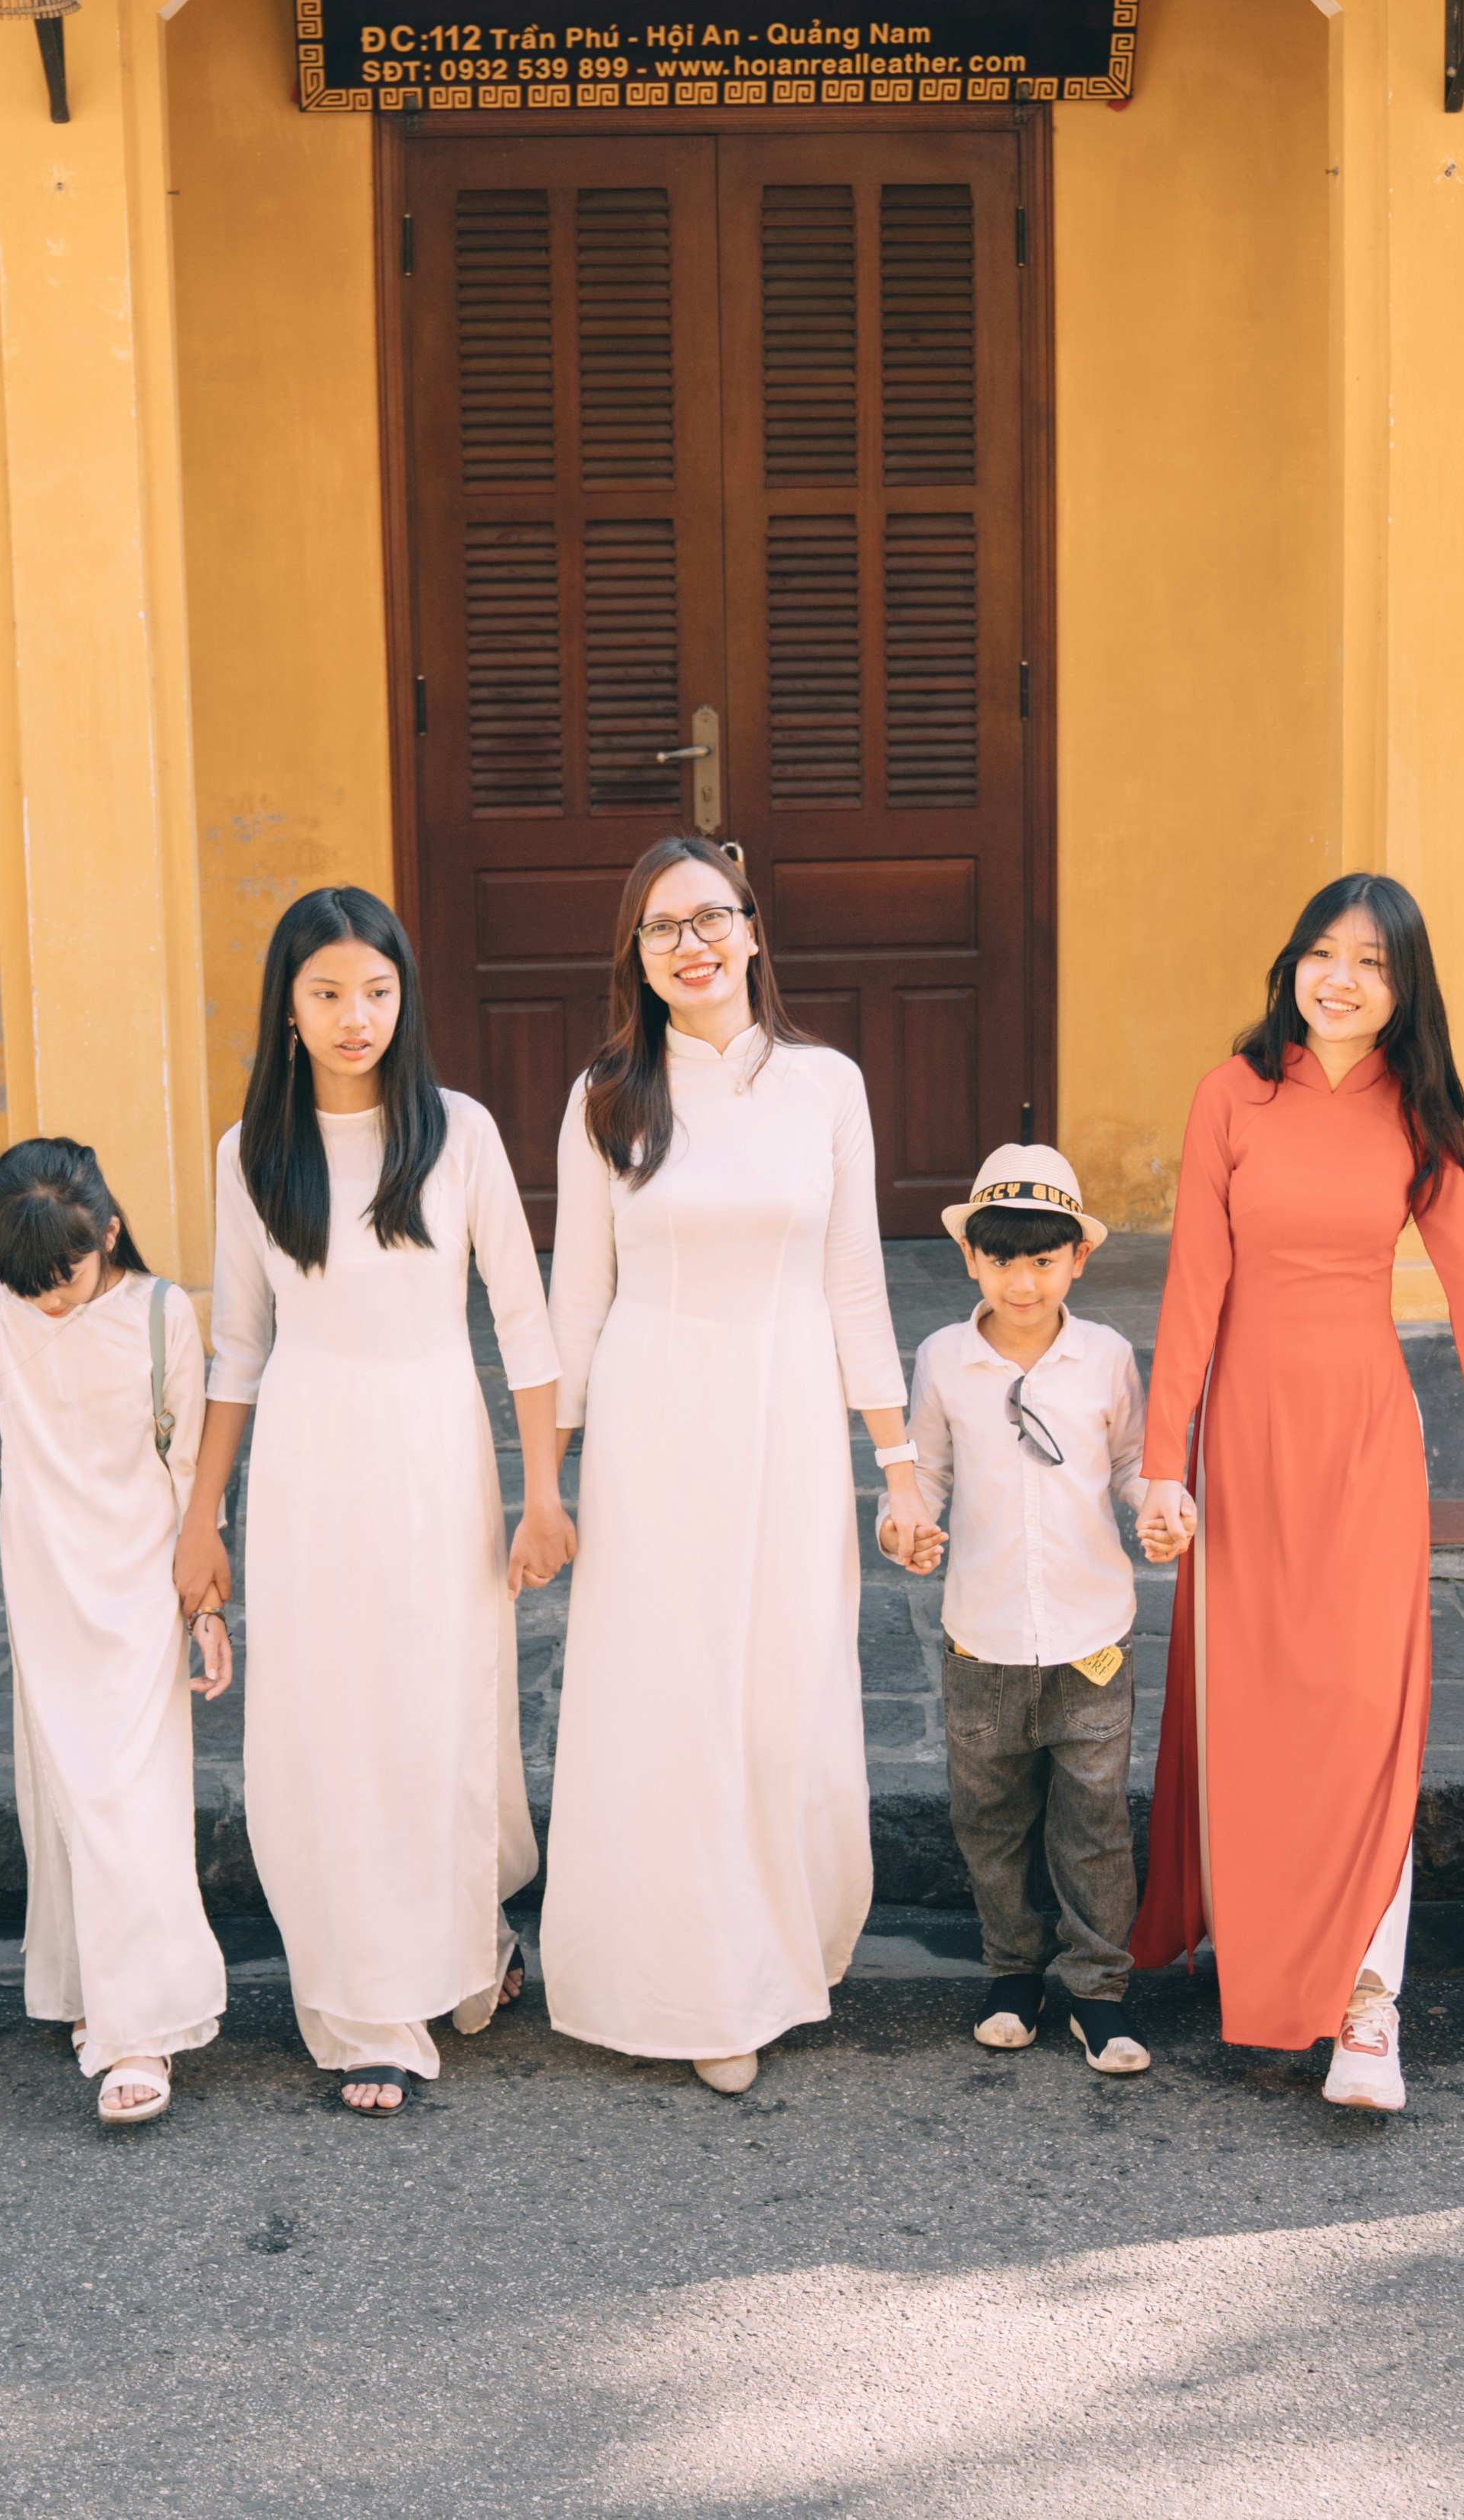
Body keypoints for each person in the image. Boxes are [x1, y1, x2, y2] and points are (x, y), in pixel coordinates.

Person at [541, 837, 934, 2097]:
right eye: (662, 929)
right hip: (654, 1418)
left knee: (782, 1686)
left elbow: (854, 1283)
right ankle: (696, 1981)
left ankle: (778, 1948)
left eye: (712, 917)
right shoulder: (606, 1095)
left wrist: (899, 1463)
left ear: (754, 930)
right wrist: (544, 1478)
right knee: (670, 1696)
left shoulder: (825, 1086)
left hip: (790, 1415)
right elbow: (576, 1299)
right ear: (637, 958)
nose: (693, 944)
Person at [177, 887, 576, 2117]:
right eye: (328, 993)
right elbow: (238, 1349)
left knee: (436, 1708)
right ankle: (366, 2002)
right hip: (309, 1461)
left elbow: (524, 1322)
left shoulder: (459, 1132)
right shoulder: (249, 1152)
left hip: (436, 1452)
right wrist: (201, 1514)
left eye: (378, 990)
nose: (357, 1016)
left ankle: (462, 1940)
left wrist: (543, 1491)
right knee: (330, 1724)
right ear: (288, 1010)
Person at [1129, 874, 1464, 2114]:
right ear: (1292, 963)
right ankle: (1268, 1962)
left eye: (1373, 963)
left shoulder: (1419, 1115)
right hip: (1244, 1440)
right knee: (1259, 1710)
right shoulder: (1231, 1095)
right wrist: (1161, 1461)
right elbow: (1193, 1288)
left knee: (1364, 1712)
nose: (1341, 980)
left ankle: (1367, 2004)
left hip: (1363, 1441)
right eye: (1323, 954)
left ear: (1405, 989)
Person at [0, 1139, 230, 2127]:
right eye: (31, 1282)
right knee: (65, 1791)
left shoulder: (161, 1313)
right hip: (43, 1582)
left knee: (128, 1797)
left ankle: (141, 2029)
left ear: (111, 1232)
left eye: (68, 1275)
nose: (51, 1298)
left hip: (141, 1585)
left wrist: (205, 1604)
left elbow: (190, 1468)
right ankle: (93, 1982)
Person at [888, 1145, 1175, 2078]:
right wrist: (905, 1526)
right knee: (991, 1819)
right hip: (983, 1639)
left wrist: (1159, 1504)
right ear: (970, 1257)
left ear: (1077, 1261)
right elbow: (923, 1477)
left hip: (1092, 1635)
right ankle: (1012, 1972)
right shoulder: (943, 1359)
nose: (1023, 1280)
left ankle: (1098, 1987)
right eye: (1002, 1258)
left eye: (1044, 1259)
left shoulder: (1105, 1358)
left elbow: (1130, 1463)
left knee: (1095, 1822)